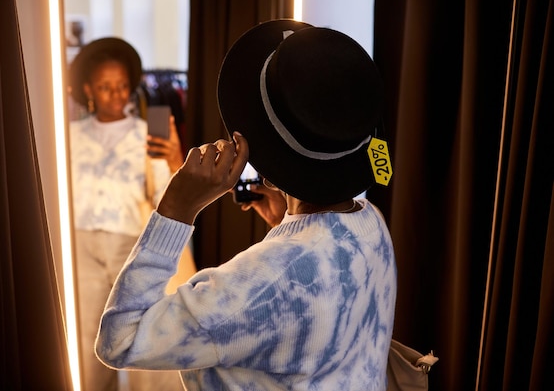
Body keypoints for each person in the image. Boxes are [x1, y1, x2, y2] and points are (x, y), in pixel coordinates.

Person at [95, 20, 397, 390]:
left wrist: (176, 209)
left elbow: (121, 340)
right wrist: (284, 228)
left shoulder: (260, 285)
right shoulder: (371, 224)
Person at [68, 36, 194, 391]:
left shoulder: (148, 130)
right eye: (106, 87)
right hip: (81, 246)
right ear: (89, 89)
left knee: (140, 335)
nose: (116, 94)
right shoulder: (68, 135)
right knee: (87, 338)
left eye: (123, 86)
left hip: (131, 242)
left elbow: (163, 196)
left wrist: (173, 160)